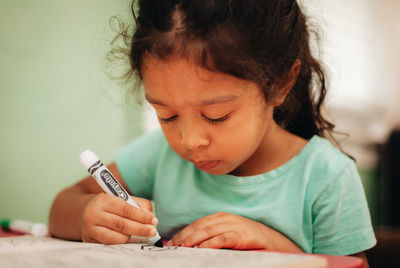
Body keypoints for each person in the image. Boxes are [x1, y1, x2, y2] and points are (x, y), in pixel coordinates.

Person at [49, 0, 376, 266]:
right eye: (167, 115)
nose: (189, 141)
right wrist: (85, 215)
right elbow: (62, 205)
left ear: (281, 84)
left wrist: (276, 247)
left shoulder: (326, 177)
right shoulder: (159, 156)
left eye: (215, 116)